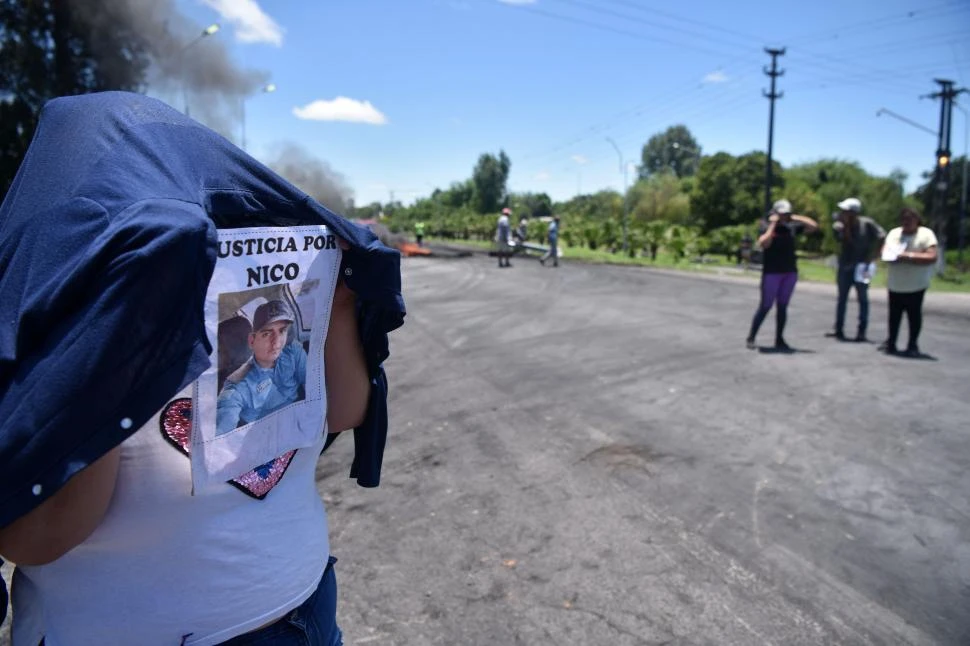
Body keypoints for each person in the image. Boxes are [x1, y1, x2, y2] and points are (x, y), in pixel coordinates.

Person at [0, 92, 406, 645]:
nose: (277, 339)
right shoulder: (57, 312)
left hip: (303, 608)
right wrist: (115, 339)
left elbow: (342, 410)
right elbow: (35, 537)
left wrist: (338, 300)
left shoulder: (249, 284)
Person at [217, 300, 309, 435]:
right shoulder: (237, 388)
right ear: (252, 340)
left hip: (303, 425)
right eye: (267, 334)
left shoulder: (292, 351)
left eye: (282, 331)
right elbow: (221, 434)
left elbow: (313, 386)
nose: (277, 343)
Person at [746, 200, 818, 351]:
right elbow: (763, 243)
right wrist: (773, 224)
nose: (784, 217)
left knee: (782, 307)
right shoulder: (766, 226)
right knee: (765, 306)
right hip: (772, 273)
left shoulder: (791, 227)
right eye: (782, 213)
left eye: (786, 213)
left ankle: (779, 338)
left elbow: (813, 226)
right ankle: (751, 337)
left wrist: (794, 217)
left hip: (789, 272)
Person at [879, 207, 938, 356]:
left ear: (917, 220)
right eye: (904, 219)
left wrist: (907, 256)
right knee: (894, 316)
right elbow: (884, 251)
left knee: (914, 316)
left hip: (916, 284)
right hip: (895, 283)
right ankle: (891, 342)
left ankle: (912, 344)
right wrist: (892, 255)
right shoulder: (894, 233)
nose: (906, 222)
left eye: (910, 219)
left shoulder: (926, 234)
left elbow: (931, 256)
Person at [827, 197, 886, 342]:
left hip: (862, 266)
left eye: (845, 211)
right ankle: (838, 329)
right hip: (845, 265)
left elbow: (882, 236)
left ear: (853, 213)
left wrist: (874, 256)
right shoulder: (838, 226)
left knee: (863, 299)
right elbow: (845, 241)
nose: (842, 214)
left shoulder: (867, 224)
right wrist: (846, 226)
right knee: (842, 298)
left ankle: (862, 331)